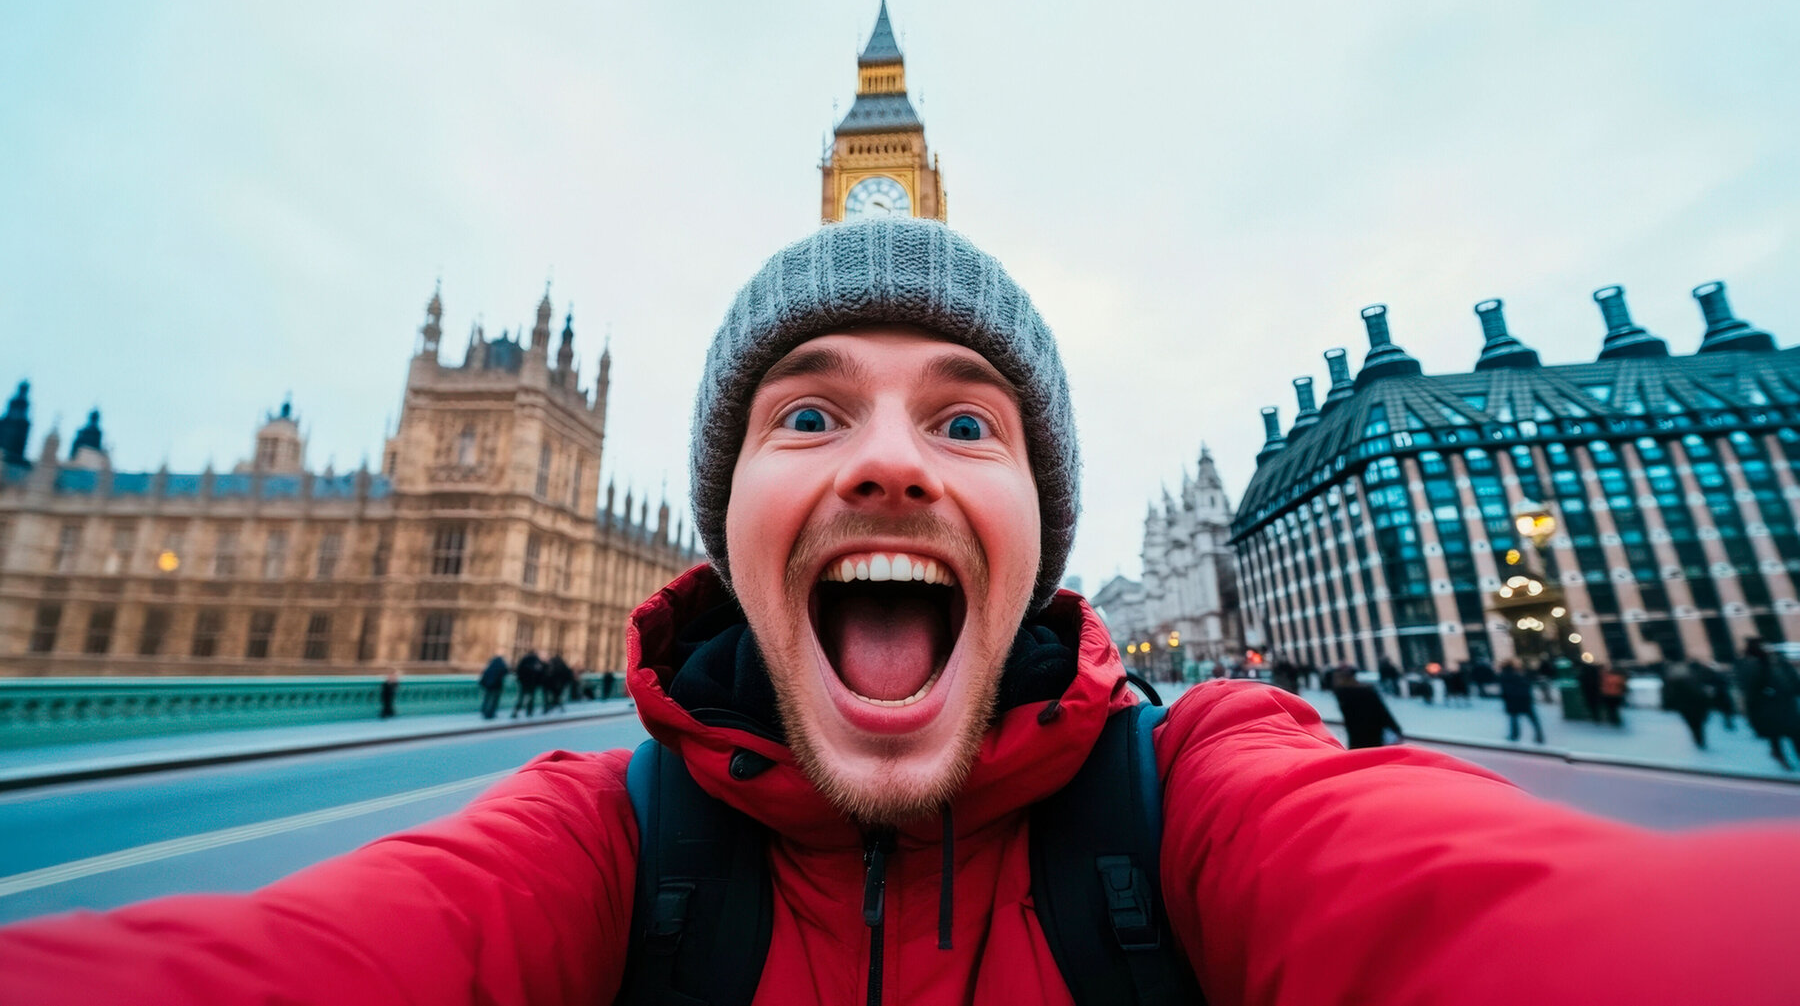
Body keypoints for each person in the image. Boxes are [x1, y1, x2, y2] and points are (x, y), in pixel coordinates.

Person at [5, 219, 1799, 1005]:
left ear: (1044, 528)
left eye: (965, 419)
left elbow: (1508, 918)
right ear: (723, 526)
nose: (885, 462)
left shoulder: (1200, 795)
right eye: (807, 413)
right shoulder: (599, 843)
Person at [1738, 638, 1800, 770]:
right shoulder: (1752, 665)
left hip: (1786, 704)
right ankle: (1779, 754)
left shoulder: (1779, 661)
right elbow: (1750, 689)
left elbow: (1793, 679)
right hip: (1770, 707)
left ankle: (1781, 754)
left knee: (1794, 732)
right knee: (1776, 734)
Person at [1330, 666, 1403, 749]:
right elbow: (1382, 712)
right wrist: (1396, 728)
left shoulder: (1341, 694)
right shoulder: (1366, 692)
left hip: (1356, 737)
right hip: (1373, 732)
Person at [1664, 660, 1713, 750]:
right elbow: (1701, 695)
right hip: (1695, 707)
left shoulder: (1675, 682)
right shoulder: (1695, 679)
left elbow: (1671, 696)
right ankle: (1700, 740)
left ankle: (1698, 739)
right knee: (1698, 725)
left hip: (1686, 708)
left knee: (1693, 725)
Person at [1498, 660, 1545, 744]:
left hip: (1512, 700)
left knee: (1514, 719)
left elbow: (1504, 690)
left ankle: (1514, 735)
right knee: (1533, 719)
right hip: (1524, 699)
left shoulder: (1504, 676)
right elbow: (1527, 684)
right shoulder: (1519, 673)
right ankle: (1539, 736)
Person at [511, 649, 544, 719]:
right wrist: (538, 683)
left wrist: (520, 680)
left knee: (521, 698)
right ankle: (529, 712)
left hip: (524, 683)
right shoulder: (536, 661)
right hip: (532, 683)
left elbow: (518, 670)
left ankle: (516, 712)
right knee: (531, 698)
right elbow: (540, 673)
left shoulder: (524, 659)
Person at [478, 653, 509, 719]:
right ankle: (490, 714)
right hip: (496, 686)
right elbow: (506, 672)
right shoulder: (502, 665)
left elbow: (485, 675)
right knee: (494, 701)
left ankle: (484, 712)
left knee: (487, 699)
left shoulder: (491, 665)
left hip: (488, 685)